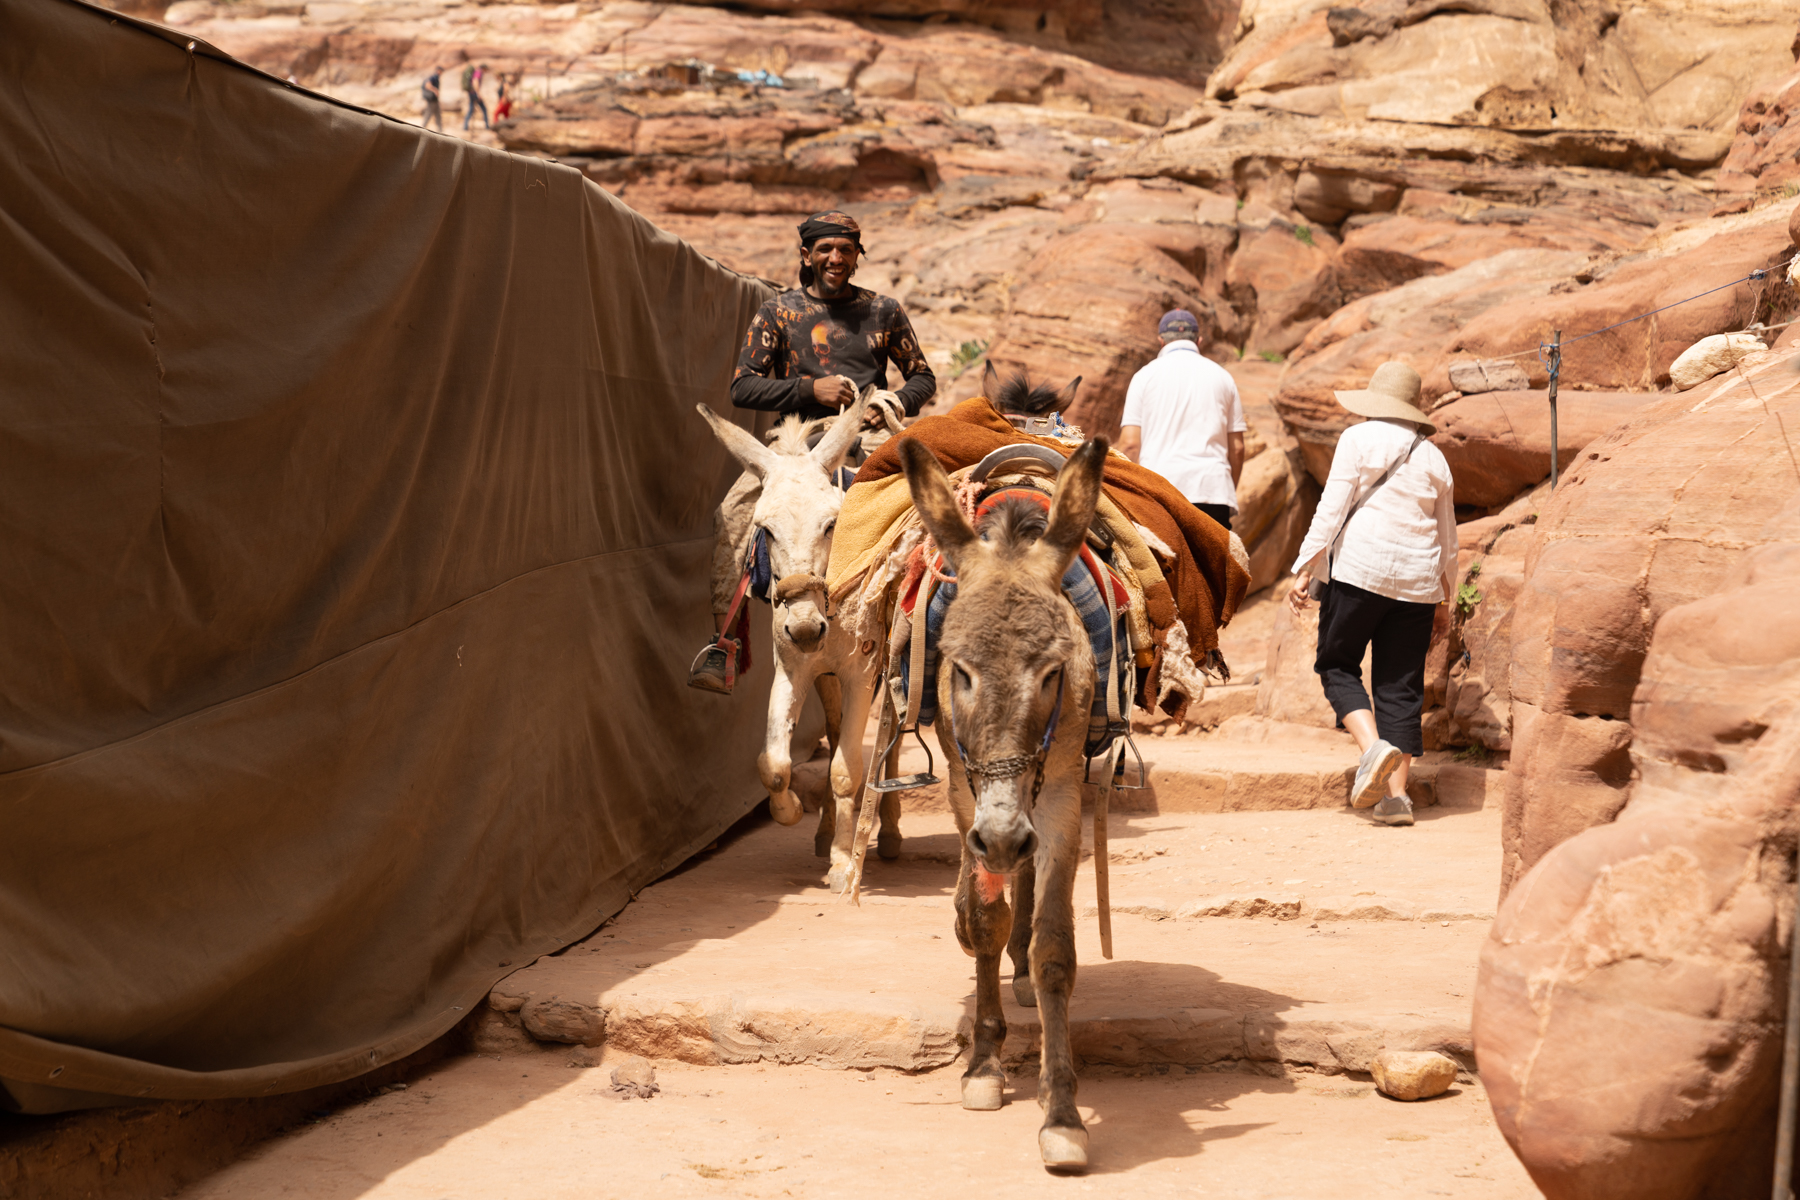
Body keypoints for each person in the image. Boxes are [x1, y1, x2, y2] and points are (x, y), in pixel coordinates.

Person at [689, 210, 937, 693]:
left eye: (846, 249)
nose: (835, 258)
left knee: (925, 513)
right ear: (807, 255)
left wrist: (886, 404)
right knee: (732, 514)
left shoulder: (884, 310)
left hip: (865, 436)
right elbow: (743, 387)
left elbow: (922, 376)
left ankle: (922, 646)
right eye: (825, 249)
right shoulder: (778, 312)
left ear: (857, 256)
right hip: (796, 444)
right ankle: (724, 646)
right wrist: (810, 389)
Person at [1286, 361, 1456, 827]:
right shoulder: (1434, 457)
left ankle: (1373, 748)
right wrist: (1446, 596)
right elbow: (1449, 535)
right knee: (1399, 687)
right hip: (1419, 584)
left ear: (1374, 403)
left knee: (1336, 664)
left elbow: (1331, 508)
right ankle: (1397, 800)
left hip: (1360, 572)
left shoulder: (1357, 440)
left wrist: (1303, 568)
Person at [1116, 309, 1245, 531]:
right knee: (1212, 566)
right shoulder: (1223, 377)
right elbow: (1238, 448)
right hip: (1213, 492)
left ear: (1160, 341)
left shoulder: (1144, 376)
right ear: (1199, 340)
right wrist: (1222, 489)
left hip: (1159, 491)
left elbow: (1130, 445)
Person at [461, 62, 489, 132]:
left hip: (471, 93)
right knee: (484, 109)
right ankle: (487, 126)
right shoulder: (478, 72)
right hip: (474, 93)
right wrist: (478, 93)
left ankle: (465, 126)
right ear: (484, 68)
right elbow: (475, 81)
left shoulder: (475, 72)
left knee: (471, 109)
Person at [420, 65, 443, 132]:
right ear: (438, 71)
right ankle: (422, 128)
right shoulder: (434, 77)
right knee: (428, 114)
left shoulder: (436, 77)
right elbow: (427, 85)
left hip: (435, 100)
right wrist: (435, 90)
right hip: (432, 100)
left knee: (438, 115)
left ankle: (440, 130)